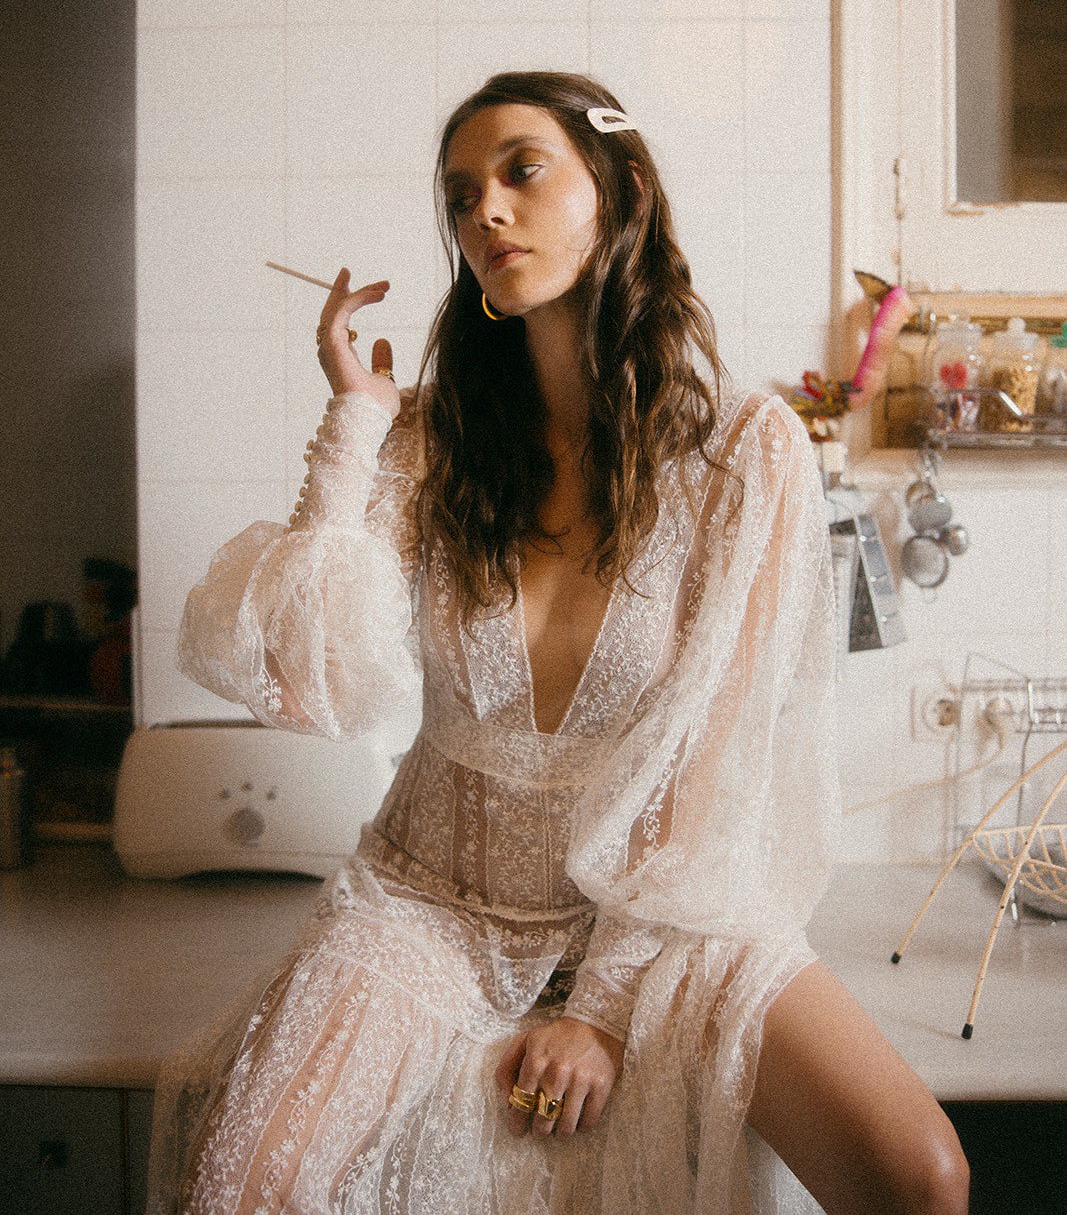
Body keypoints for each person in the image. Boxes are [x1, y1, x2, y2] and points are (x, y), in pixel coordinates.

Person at [147, 72, 969, 1214]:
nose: (484, 209)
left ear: (618, 186)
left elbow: (718, 756)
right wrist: (352, 425)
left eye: (521, 170)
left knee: (921, 1174)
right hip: (429, 902)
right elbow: (305, 682)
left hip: (670, 908)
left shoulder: (746, 453)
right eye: (459, 195)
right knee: (243, 1182)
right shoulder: (426, 444)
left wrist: (603, 1009)